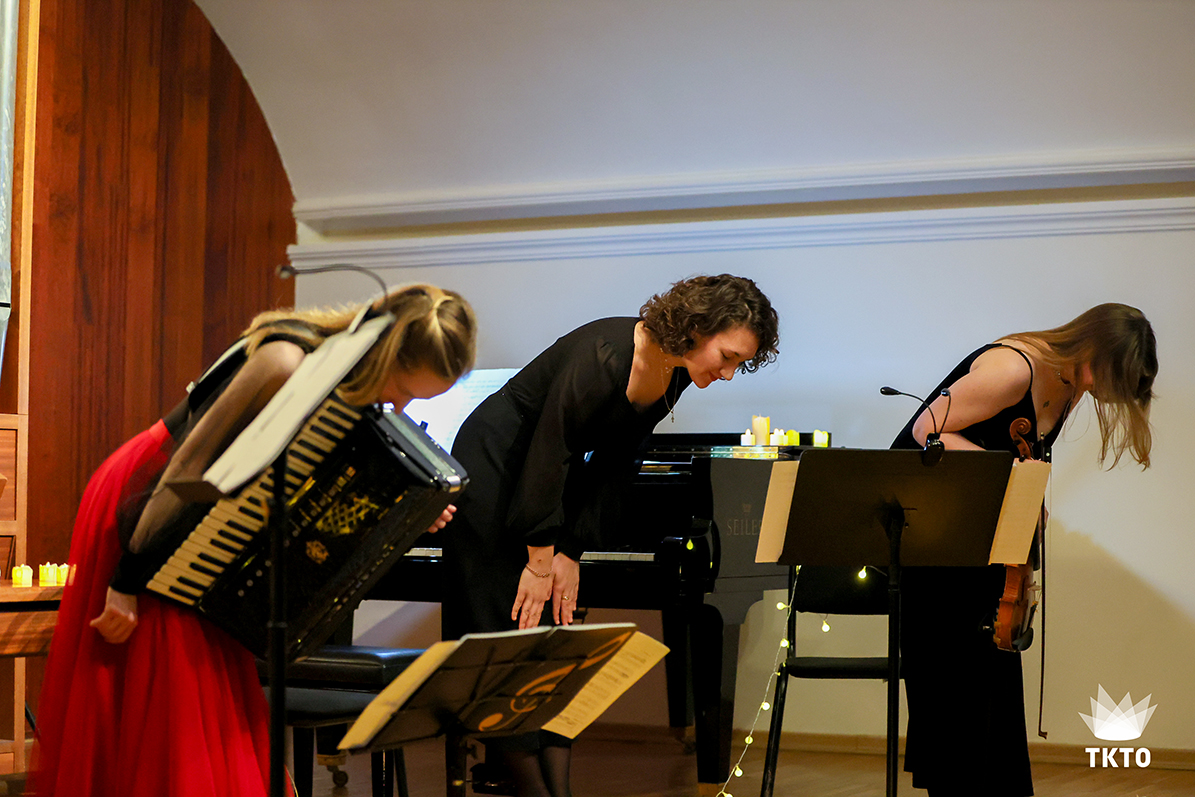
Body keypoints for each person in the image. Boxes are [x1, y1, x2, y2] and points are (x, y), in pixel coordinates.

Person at [31, 285, 477, 797]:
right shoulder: (286, 360)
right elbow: (186, 470)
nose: (398, 406)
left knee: (196, 696)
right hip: (148, 509)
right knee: (168, 700)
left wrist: (408, 517)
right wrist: (126, 579)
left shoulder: (347, 384)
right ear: (383, 350)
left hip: (205, 524)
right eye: (403, 389)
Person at [443, 273, 780, 797]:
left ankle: (557, 792)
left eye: (740, 363)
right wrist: (540, 558)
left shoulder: (675, 371)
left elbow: (615, 464)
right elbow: (550, 450)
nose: (729, 373)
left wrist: (571, 549)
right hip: (497, 467)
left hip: (545, 482)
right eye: (728, 356)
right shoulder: (604, 354)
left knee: (553, 641)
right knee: (505, 632)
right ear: (697, 327)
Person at [889, 303, 1156, 796]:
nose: (1109, 393)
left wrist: (1029, 501)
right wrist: (1010, 479)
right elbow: (926, 431)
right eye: (1113, 378)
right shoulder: (1013, 369)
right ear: (1094, 348)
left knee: (993, 689)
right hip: (935, 540)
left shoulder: (1072, 383)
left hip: (982, 540)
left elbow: (1023, 454)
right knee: (956, 690)